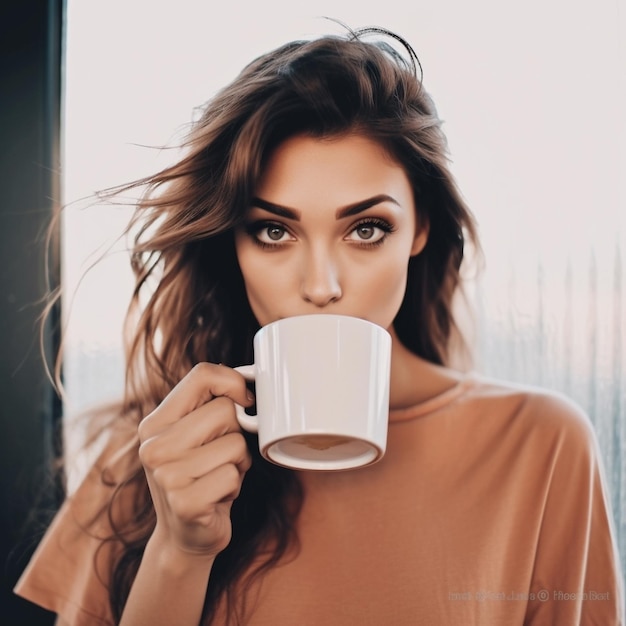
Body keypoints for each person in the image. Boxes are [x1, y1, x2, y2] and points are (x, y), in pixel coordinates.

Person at [14, 25, 624, 626]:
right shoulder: (155, 454)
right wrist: (179, 550)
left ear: (419, 231)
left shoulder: (541, 445)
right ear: (235, 246)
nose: (321, 285)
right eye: (274, 231)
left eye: (366, 229)